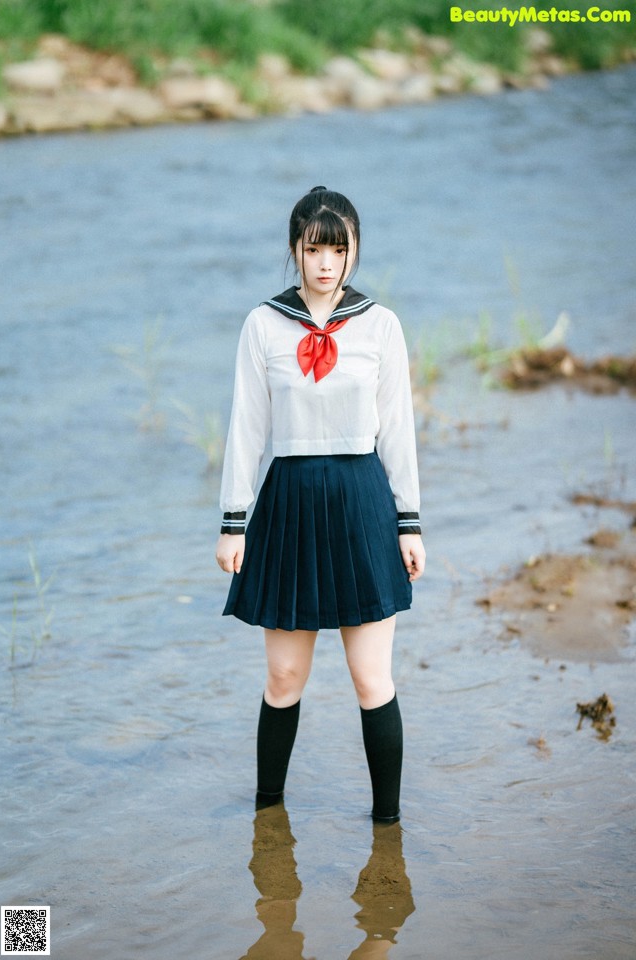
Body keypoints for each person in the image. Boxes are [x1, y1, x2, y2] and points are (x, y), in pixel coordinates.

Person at [216, 186, 426, 823]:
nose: (327, 262)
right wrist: (233, 523)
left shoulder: (381, 325)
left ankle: (386, 830)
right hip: (289, 506)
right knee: (284, 679)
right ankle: (267, 820)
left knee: (371, 680)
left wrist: (409, 522)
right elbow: (246, 428)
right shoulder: (262, 324)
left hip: (363, 505)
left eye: (339, 248)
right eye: (315, 248)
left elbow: (398, 428)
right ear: (294, 251)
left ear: (355, 251)